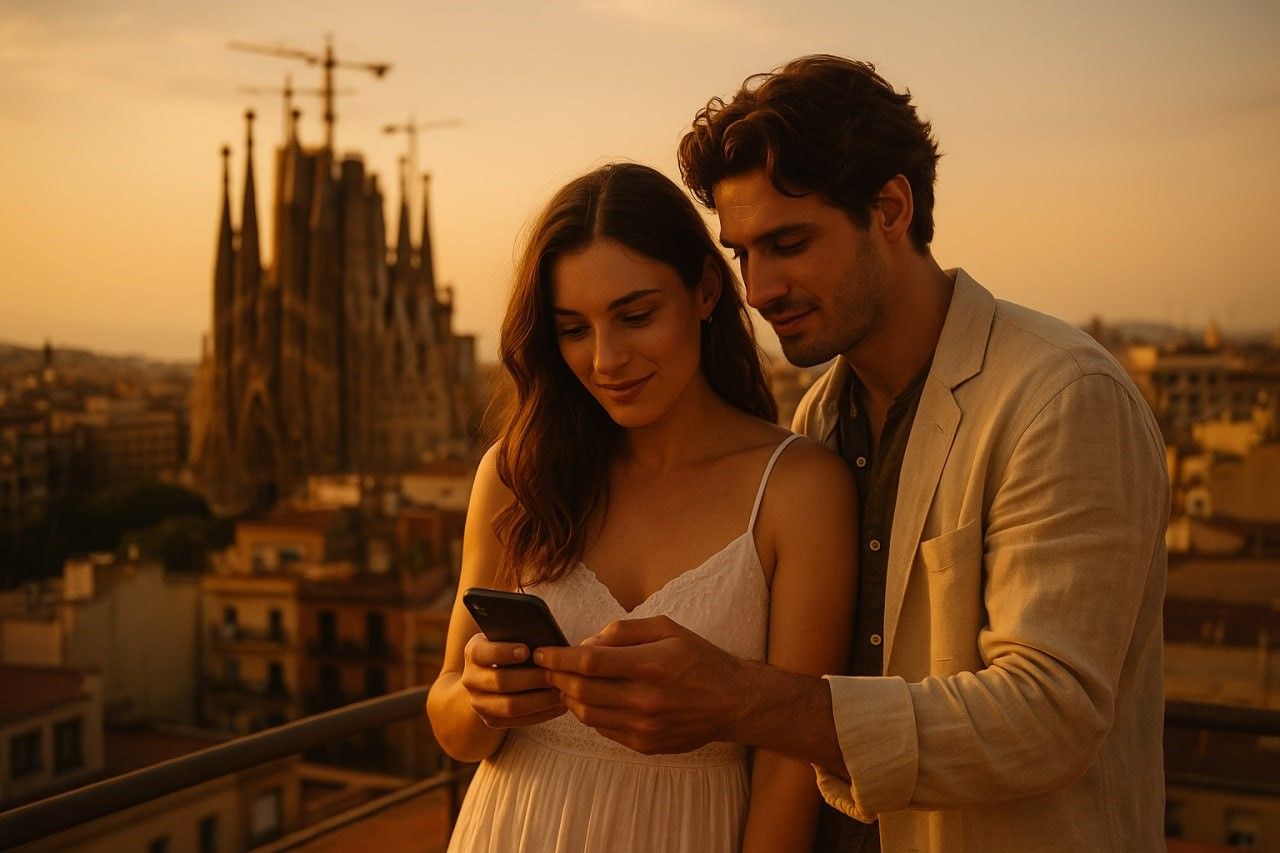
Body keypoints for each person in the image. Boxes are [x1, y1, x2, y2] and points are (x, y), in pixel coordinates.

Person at [536, 56, 1170, 851]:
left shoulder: (1059, 395)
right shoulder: (821, 418)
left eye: (788, 242)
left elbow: (1051, 713)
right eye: (742, 253)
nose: (760, 289)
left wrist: (742, 698)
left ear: (891, 208)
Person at [426, 162, 859, 852]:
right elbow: (451, 724)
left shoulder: (797, 489)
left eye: (635, 316)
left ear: (706, 290)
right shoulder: (518, 474)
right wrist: (480, 696)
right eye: (574, 329)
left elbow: (790, 765)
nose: (606, 359)